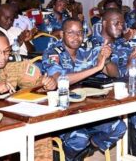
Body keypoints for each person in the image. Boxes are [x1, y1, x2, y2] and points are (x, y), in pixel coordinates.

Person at [42, 18, 127, 160]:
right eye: (71, 33)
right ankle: (68, 157)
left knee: (119, 127)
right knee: (79, 139)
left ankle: (88, 150)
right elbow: (59, 80)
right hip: (64, 113)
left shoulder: (87, 50)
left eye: (80, 33)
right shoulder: (53, 53)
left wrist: (105, 59)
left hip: (87, 108)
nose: (76, 37)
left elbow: (114, 74)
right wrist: (96, 68)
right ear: (62, 34)